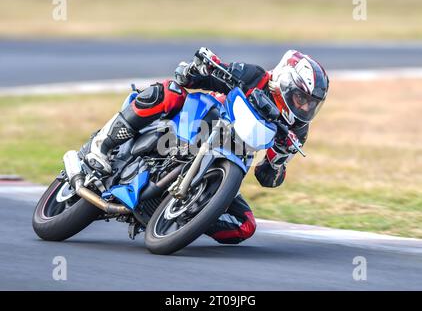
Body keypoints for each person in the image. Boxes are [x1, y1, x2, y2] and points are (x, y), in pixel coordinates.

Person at [81, 47, 329, 244]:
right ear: (285, 82)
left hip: (231, 160)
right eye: (301, 98)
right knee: (169, 91)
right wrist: (200, 68)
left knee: (245, 227)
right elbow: (202, 79)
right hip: (200, 123)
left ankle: (187, 214)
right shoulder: (255, 76)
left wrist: (277, 162)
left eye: (311, 103)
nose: (305, 108)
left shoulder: (297, 129)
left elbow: (267, 177)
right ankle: (103, 145)